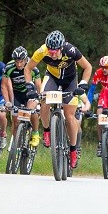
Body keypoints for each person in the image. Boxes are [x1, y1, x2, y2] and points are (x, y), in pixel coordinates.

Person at [24, 30, 93, 169]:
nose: (52, 54)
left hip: (70, 81)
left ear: (62, 48)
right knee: (44, 99)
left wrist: (84, 83)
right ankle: (47, 130)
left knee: (69, 116)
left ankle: (73, 150)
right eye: (50, 50)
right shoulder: (42, 51)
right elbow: (28, 68)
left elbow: (87, 67)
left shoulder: (71, 50)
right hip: (52, 78)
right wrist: (30, 85)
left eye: (55, 51)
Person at [5, 46, 42, 147]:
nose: (19, 64)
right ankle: (16, 146)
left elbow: (39, 85)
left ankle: (35, 132)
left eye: (21, 61)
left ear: (26, 60)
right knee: (16, 121)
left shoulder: (33, 68)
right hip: (17, 94)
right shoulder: (9, 68)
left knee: (31, 111)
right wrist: (7, 101)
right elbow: (4, 85)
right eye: (16, 61)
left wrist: (40, 100)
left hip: (30, 93)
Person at [88, 55, 108, 156]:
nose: (104, 70)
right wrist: (88, 105)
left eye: (106, 67)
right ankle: (100, 143)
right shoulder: (98, 73)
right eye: (102, 67)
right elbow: (91, 90)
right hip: (105, 97)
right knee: (100, 115)